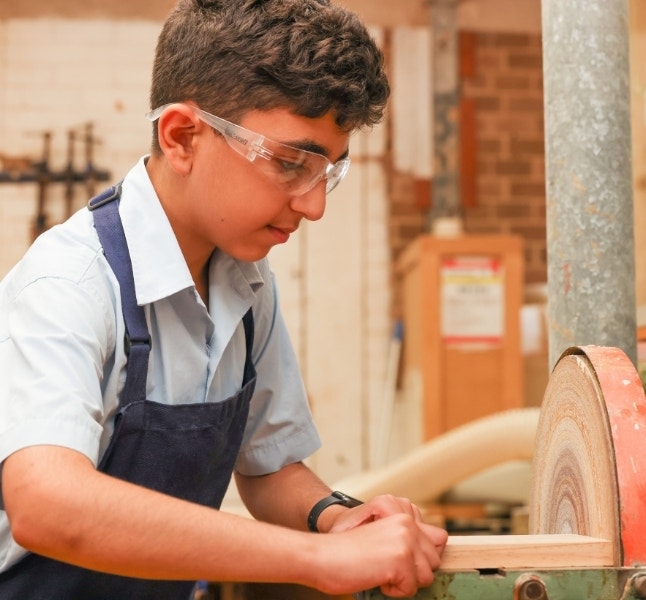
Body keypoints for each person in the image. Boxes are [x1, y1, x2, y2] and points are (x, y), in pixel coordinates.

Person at [0, 0, 448, 598]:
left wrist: (337, 520)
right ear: (183, 136)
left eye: (330, 172)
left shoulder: (245, 282)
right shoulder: (70, 284)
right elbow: (48, 505)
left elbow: (269, 467)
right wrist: (318, 561)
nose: (314, 206)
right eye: (291, 163)